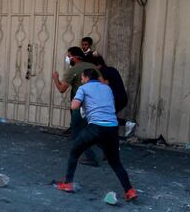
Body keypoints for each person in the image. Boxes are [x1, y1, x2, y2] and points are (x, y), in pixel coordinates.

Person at [56, 69, 137, 201]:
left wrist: (81, 103)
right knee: (115, 162)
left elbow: (74, 106)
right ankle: (129, 190)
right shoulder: (107, 89)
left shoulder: (83, 88)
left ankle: (68, 183)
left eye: (82, 78)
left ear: (86, 78)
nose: (82, 81)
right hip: (112, 128)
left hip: (95, 127)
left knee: (74, 152)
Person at [53, 47, 101, 167]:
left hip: (80, 106)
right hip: (95, 105)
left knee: (77, 132)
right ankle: (107, 150)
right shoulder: (92, 67)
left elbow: (62, 89)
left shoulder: (73, 70)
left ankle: (90, 157)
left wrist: (55, 78)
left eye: (69, 56)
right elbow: (105, 83)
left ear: (75, 57)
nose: (68, 58)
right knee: (91, 130)